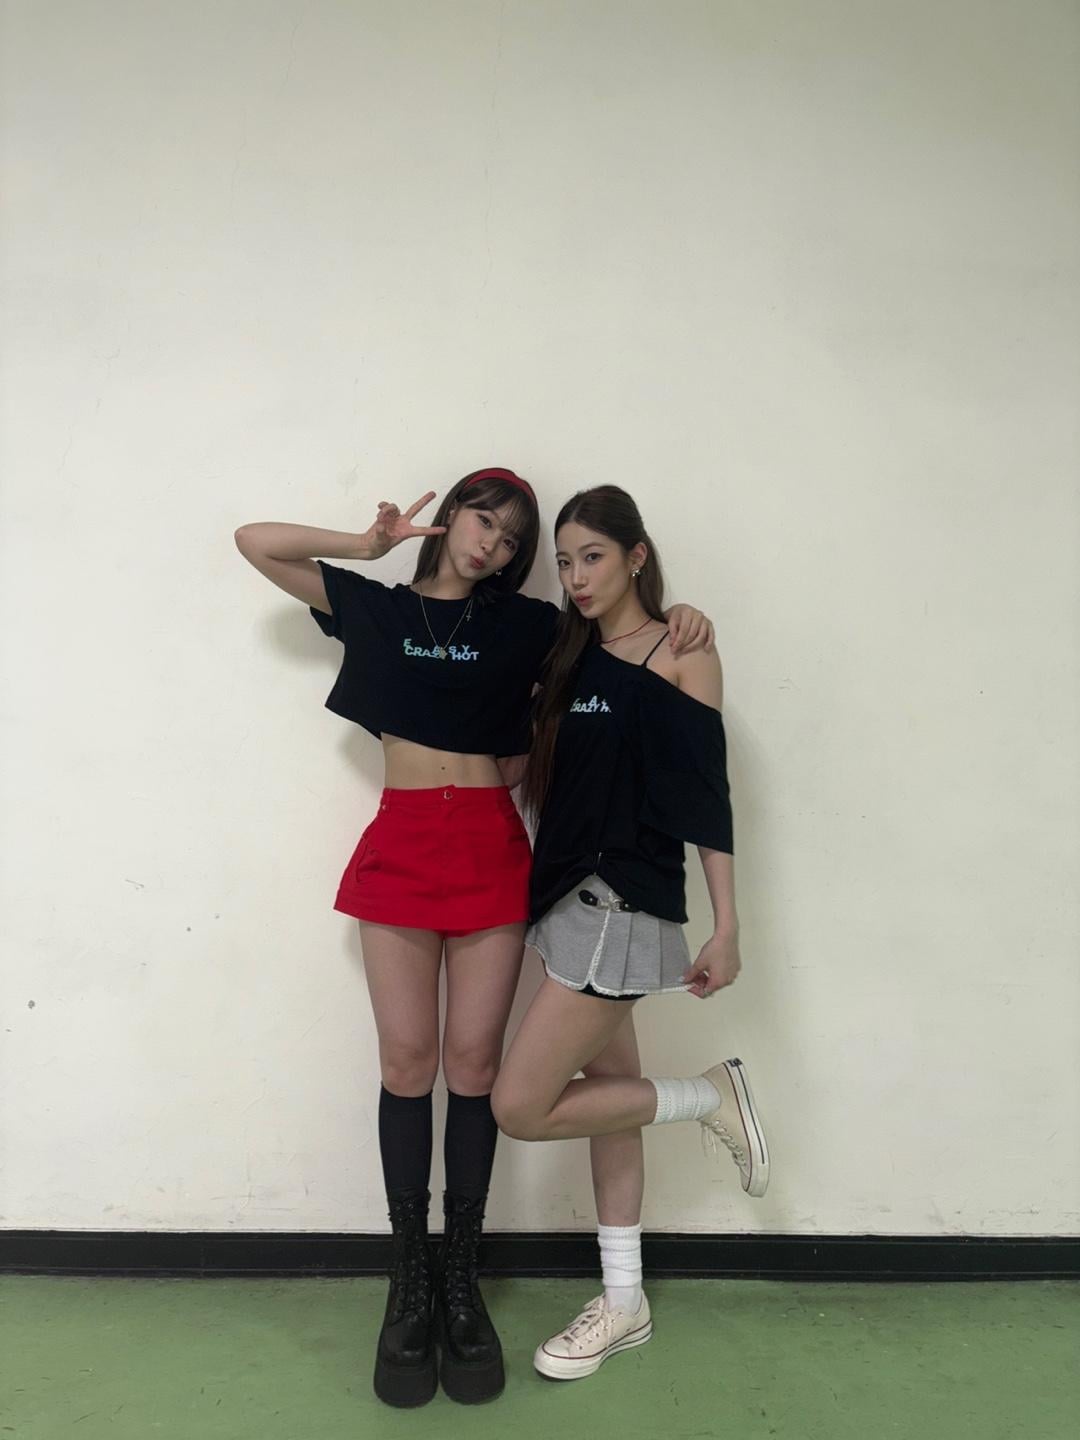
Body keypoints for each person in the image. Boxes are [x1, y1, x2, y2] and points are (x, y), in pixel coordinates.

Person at [233, 469, 713, 1408]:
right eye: (483, 520)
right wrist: (364, 545)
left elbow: (620, 630)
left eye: (510, 539)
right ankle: (407, 1280)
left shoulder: (526, 625)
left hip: (492, 850)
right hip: (403, 846)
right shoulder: (376, 606)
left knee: (474, 1067)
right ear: (452, 515)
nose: (491, 544)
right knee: (407, 1063)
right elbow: (255, 542)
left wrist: (680, 615)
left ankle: (461, 1277)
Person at [490, 483, 770, 1383]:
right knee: (609, 1099)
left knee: (519, 1106)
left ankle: (707, 1099)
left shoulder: (681, 652)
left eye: (594, 557)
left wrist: (727, 925)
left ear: (636, 556)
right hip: (563, 903)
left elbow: (705, 797)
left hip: (620, 907)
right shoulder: (568, 655)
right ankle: (624, 1300)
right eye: (565, 562)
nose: (576, 577)